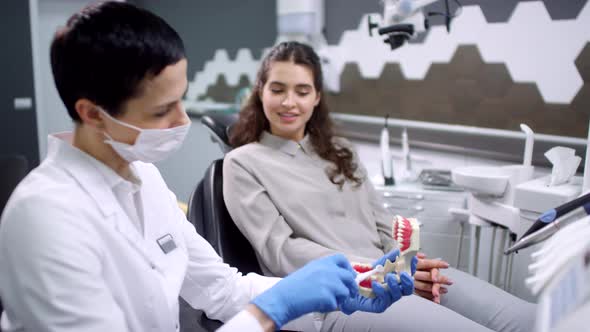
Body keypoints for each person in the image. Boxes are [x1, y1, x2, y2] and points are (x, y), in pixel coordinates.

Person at [0, 3, 415, 332]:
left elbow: (221, 288)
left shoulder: (144, 178)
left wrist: (328, 295)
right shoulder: (45, 215)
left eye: (182, 99)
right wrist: (274, 309)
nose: (183, 121)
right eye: (163, 110)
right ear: (92, 113)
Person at [223, 41, 537, 332]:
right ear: (261, 91)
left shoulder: (341, 150)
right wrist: (375, 273)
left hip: (393, 275)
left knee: (530, 319)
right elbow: (282, 252)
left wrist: (408, 264)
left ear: (316, 97)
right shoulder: (243, 163)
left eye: (302, 91)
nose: (289, 102)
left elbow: (382, 220)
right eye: (278, 89)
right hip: (336, 296)